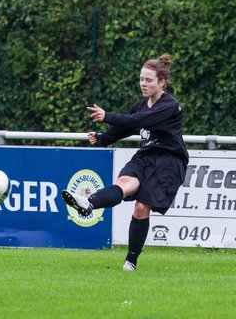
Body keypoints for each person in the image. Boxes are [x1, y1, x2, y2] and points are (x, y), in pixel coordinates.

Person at [62, 53, 189, 271]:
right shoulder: (140, 104)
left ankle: (131, 261)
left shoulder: (170, 105)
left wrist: (107, 115)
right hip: (146, 155)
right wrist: (103, 138)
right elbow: (127, 127)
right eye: (141, 79)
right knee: (124, 182)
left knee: (141, 208)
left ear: (162, 82)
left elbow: (139, 121)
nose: (143, 84)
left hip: (168, 159)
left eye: (149, 80)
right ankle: (89, 202)